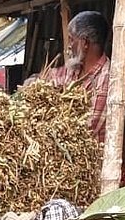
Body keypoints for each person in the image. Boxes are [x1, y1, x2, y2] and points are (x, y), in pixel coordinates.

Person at [43, 10, 111, 144]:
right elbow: (49, 78)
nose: (68, 46)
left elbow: (85, 129)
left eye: (71, 39)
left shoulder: (106, 80)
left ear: (85, 43)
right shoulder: (74, 70)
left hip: (89, 162)